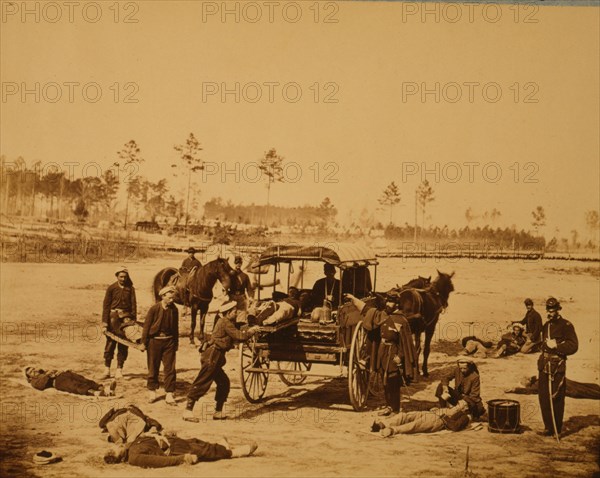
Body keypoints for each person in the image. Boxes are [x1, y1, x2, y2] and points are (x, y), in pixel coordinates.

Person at [183, 301, 260, 422]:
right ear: (228, 313)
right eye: (234, 312)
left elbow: (237, 327)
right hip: (212, 356)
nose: (236, 313)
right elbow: (240, 336)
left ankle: (218, 412)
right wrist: (252, 331)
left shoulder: (226, 321)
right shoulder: (225, 322)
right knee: (202, 382)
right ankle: (187, 411)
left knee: (224, 382)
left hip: (216, 356)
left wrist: (248, 325)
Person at [103, 428, 258, 467]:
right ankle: (236, 452)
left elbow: (146, 439)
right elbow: (158, 461)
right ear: (119, 457)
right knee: (204, 451)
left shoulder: (129, 446)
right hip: (174, 450)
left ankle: (222, 447)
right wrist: (183, 458)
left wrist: (158, 433)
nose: (117, 445)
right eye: (115, 449)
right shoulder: (135, 458)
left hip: (171, 440)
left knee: (197, 442)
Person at [537, 297, 578, 438]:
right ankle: (548, 427)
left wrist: (557, 346)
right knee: (543, 396)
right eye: (548, 310)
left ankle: (557, 428)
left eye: (552, 310)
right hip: (544, 364)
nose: (549, 312)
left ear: (558, 310)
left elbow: (573, 346)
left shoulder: (566, 325)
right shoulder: (546, 326)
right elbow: (542, 343)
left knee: (557, 397)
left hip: (557, 365)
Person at [141, 286, 179, 406]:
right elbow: (146, 327)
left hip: (169, 342)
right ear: (163, 296)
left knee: (170, 368)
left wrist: (176, 343)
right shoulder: (154, 309)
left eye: (173, 298)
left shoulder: (174, 309)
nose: (172, 300)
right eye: (170, 298)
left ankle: (169, 393)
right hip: (154, 341)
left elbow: (175, 328)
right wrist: (143, 342)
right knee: (153, 367)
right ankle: (152, 391)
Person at [102, 267, 137, 379]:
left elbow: (133, 305)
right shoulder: (111, 288)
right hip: (113, 318)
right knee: (110, 343)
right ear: (117, 276)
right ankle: (107, 369)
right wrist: (104, 323)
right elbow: (106, 306)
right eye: (121, 276)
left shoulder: (130, 289)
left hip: (126, 319)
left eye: (125, 277)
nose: (123, 279)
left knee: (123, 343)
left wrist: (133, 320)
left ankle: (119, 369)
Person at [372, 404, 471, 437]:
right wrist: (434, 409)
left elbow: (455, 426)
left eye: (461, 404)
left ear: (465, 409)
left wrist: (443, 416)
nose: (458, 405)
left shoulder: (464, 417)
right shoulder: (452, 408)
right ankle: (383, 424)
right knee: (405, 416)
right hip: (431, 414)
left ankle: (392, 430)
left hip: (438, 421)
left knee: (414, 425)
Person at [24, 367, 116, 397]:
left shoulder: (42, 372)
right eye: (31, 372)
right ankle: (98, 393)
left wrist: (58, 371)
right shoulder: (34, 382)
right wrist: (48, 375)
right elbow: (41, 386)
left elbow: (54, 371)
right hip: (57, 382)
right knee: (75, 385)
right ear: (29, 377)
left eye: (34, 369)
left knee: (83, 379)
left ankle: (105, 389)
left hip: (62, 375)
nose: (34, 371)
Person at [506, 375, 600, 400]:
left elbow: (528, 390)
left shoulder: (535, 383)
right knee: (582, 388)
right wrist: (515, 389)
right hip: (563, 384)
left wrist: (515, 390)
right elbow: (527, 391)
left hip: (563, 384)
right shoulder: (537, 383)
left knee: (582, 389)